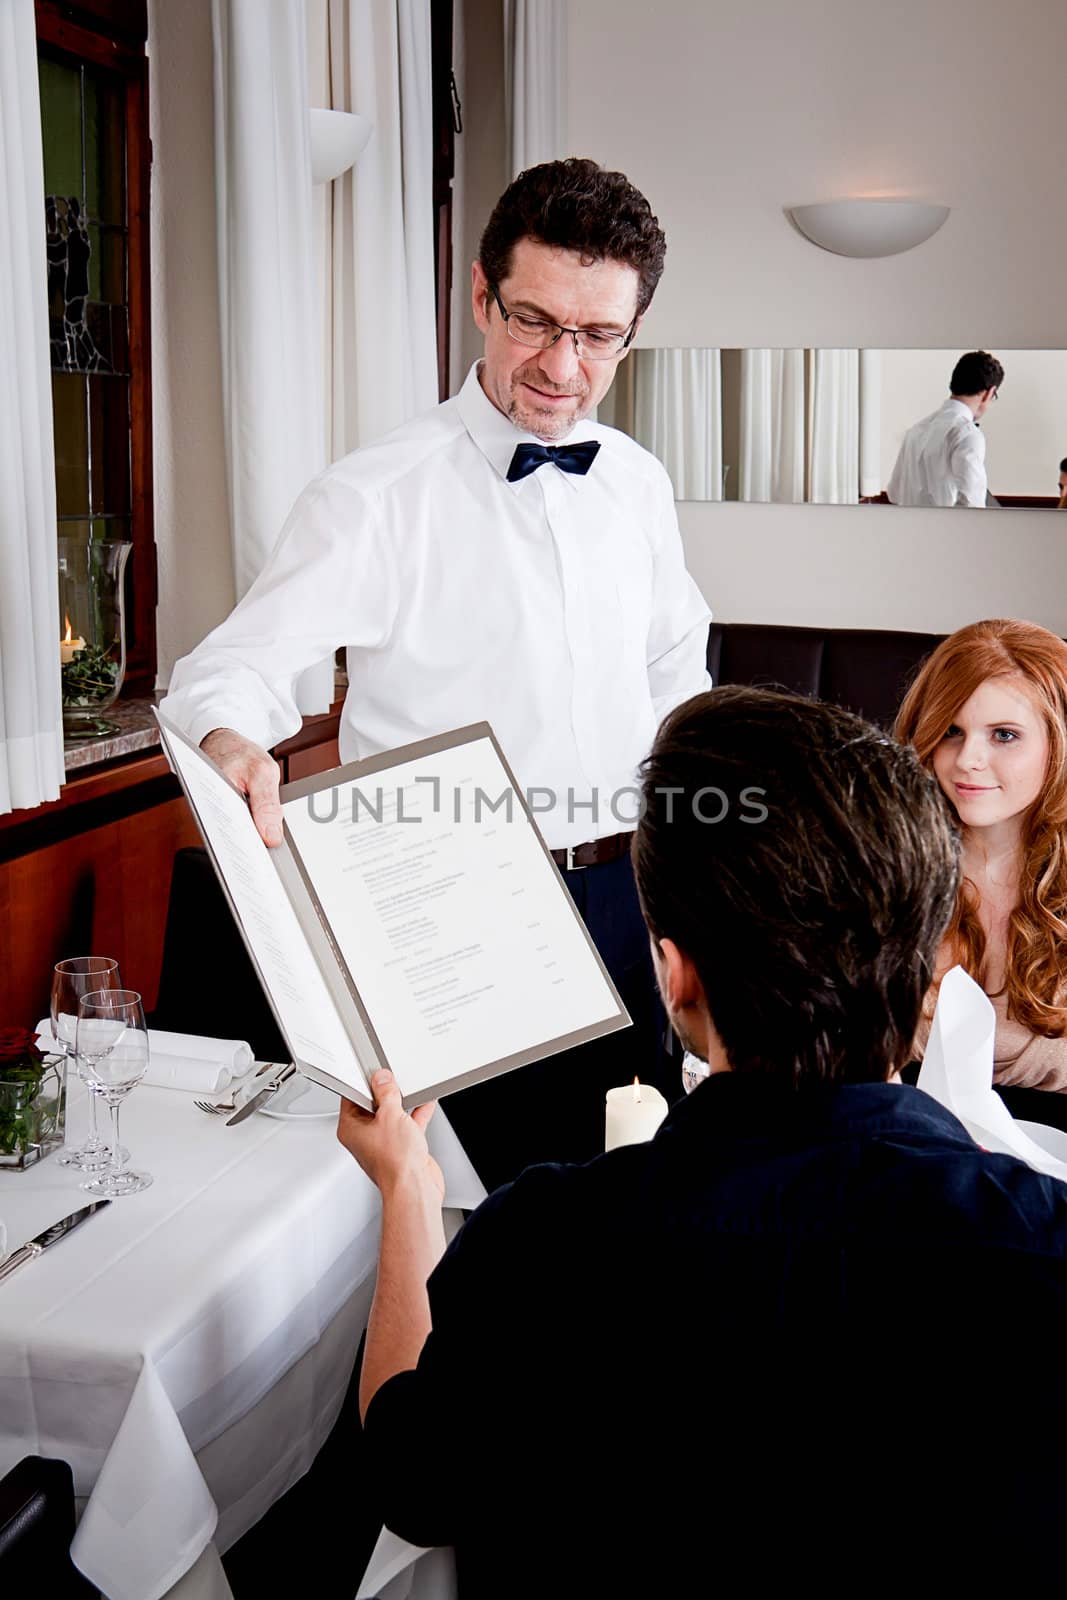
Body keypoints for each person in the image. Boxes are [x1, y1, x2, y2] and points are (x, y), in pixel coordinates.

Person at [339, 686, 1067, 1596]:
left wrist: (407, 1191)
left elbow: (412, 1481)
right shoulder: (1042, 1239)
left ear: (673, 971)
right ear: (925, 971)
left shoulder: (544, 1241)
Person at [159, 158, 711, 1187]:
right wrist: (233, 737)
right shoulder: (374, 497)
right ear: (477, 295)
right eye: (533, 321)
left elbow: (674, 666)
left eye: (597, 336)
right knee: (478, 1221)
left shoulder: (637, 483)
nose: (560, 364)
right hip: (457, 904)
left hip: (630, 892)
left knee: (635, 1195)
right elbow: (224, 671)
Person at [895, 617, 1067, 1091]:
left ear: (1060, 746)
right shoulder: (885, 872)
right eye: (951, 730)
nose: (969, 758)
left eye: (1004, 735)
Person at [886, 349, 1004, 508]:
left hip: (908, 529)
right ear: (989, 393)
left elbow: (894, 493)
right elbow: (973, 506)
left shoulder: (916, 430)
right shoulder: (967, 435)